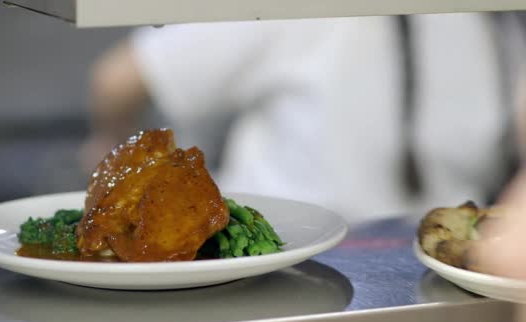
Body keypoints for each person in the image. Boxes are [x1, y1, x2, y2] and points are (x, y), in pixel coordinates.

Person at [83, 12, 526, 225]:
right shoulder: (495, 22)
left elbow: (117, 79)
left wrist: (106, 146)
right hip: (431, 290)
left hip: (283, 292)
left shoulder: (493, 20)